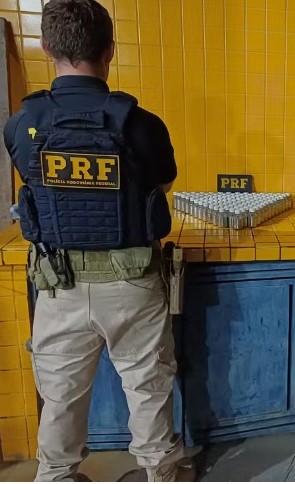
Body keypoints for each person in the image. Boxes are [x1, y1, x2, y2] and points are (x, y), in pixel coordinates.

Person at [3, 0, 187, 480]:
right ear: (109, 49)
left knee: (61, 395)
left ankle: (57, 475)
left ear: (46, 48)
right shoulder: (142, 124)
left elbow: (34, 183)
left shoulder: (22, 124)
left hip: (58, 284)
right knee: (147, 387)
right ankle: (160, 472)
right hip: (132, 282)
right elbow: (163, 183)